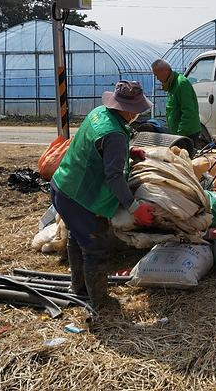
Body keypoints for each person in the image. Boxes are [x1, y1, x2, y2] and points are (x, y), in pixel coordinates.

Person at [50, 80, 153, 311]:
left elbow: (94, 147)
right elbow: (114, 177)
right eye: (136, 109)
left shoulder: (99, 114)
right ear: (126, 109)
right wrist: (135, 208)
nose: (138, 113)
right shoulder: (114, 133)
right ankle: (99, 303)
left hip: (62, 187)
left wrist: (127, 151)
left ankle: (79, 290)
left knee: (77, 239)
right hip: (79, 198)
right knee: (95, 247)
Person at [151, 58, 202, 147]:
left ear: (165, 71)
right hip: (178, 133)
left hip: (186, 133)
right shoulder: (171, 84)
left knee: (186, 160)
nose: (157, 78)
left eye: (157, 75)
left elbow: (188, 111)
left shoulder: (181, 84)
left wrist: (180, 134)